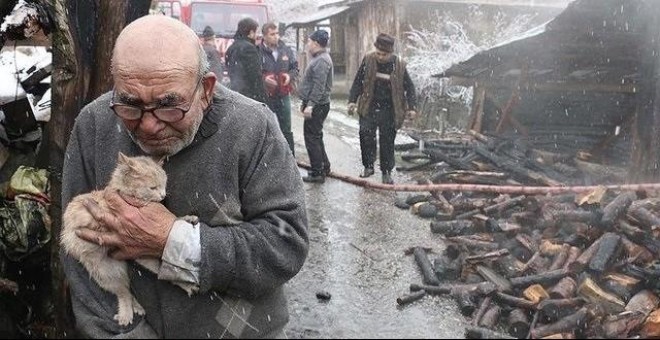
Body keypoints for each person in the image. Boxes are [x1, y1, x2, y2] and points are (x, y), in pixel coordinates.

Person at [60, 15, 308, 338]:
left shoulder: (253, 127)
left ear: (205, 90)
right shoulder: (94, 124)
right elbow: (77, 254)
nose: (148, 125)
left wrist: (173, 241)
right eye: (130, 104)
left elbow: (286, 244)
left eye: (169, 105)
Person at [347, 33, 417, 184]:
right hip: (369, 106)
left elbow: (410, 88)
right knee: (365, 134)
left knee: (387, 141)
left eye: (383, 54)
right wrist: (352, 101)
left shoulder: (399, 65)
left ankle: (386, 172)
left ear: (390, 53)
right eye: (378, 53)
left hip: (390, 109)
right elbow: (358, 81)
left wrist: (412, 107)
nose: (380, 56)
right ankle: (368, 166)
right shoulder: (368, 59)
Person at [298, 29, 333, 183]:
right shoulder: (319, 58)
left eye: (310, 41)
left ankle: (318, 172)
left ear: (317, 43)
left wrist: (310, 105)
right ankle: (324, 166)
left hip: (318, 105)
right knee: (316, 136)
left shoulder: (321, 61)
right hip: (317, 103)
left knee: (311, 138)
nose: (308, 44)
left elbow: (319, 86)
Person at [259, 22, 298, 155]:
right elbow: (252, 72)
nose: (276, 37)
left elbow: (295, 68)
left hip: (283, 95)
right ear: (264, 36)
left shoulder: (286, 50)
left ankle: (290, 157)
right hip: (266, 96)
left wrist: (289, 76)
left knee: (286, 128)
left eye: (277, 34)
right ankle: (268, 158)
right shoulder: (257, 51)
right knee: (266, 128)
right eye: (272, 34)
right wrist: (264, 79)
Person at [225, 17, 266, 102]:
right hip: (248, 96)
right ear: (251, 33)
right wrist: (262, 99)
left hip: (235, 94)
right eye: (256, 32)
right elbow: (255, 76)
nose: (258, 35)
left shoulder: (231, 48)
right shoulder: (249, 49)